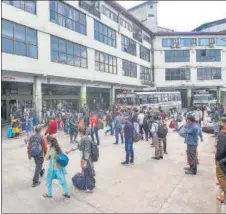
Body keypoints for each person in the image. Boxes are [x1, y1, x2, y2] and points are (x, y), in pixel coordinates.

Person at [67, 128, 96, 193]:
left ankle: (90, 188)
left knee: (86, 172)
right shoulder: (87, 138)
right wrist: (70, 150)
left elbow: (84, 149)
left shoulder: (83, 139)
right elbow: (80, 147)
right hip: (88, 158)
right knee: (88, 171)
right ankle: (90, 183)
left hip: (85, 158)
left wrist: (85, 160)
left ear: (80, 132)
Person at [215, 118, 226, 203]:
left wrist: (217, 158)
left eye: (221, 122)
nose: (219, 123)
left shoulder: (222, 135)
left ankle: (224, 196)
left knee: (221, 177)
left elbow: (220, 149)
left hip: (222, 159)